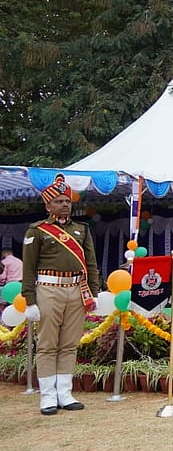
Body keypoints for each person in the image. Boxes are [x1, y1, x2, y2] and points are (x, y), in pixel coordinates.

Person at [21, 174, 100, 415]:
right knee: (47, 345)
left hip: (76, 291)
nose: (65, 204)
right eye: (59, 201)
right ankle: (47, 396)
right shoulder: (38, 231)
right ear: (48, 205)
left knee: (69, 344)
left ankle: (64, 393)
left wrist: (94, 292)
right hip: (48, 290)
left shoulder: (82, 229)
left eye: (67, 200)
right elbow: (28, 268)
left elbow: (91, 264)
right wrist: (30, 300)